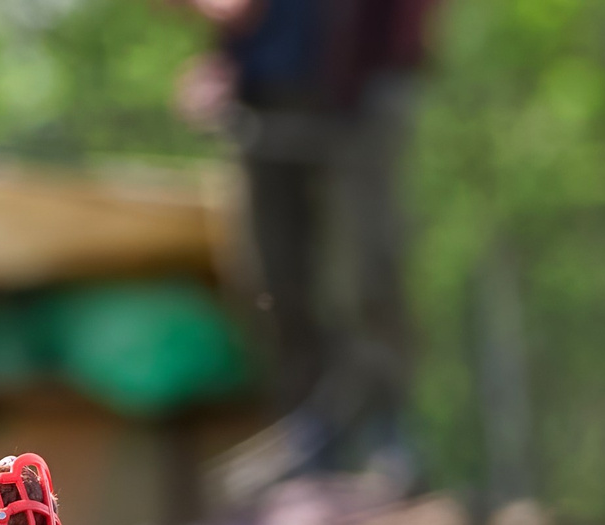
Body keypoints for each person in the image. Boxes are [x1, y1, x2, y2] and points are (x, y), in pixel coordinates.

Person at [174, 0, 442, 478]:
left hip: (362, 88)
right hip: (261, 94)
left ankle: (385, 433)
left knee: (370, 271)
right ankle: (307, 438)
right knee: (273, 279)